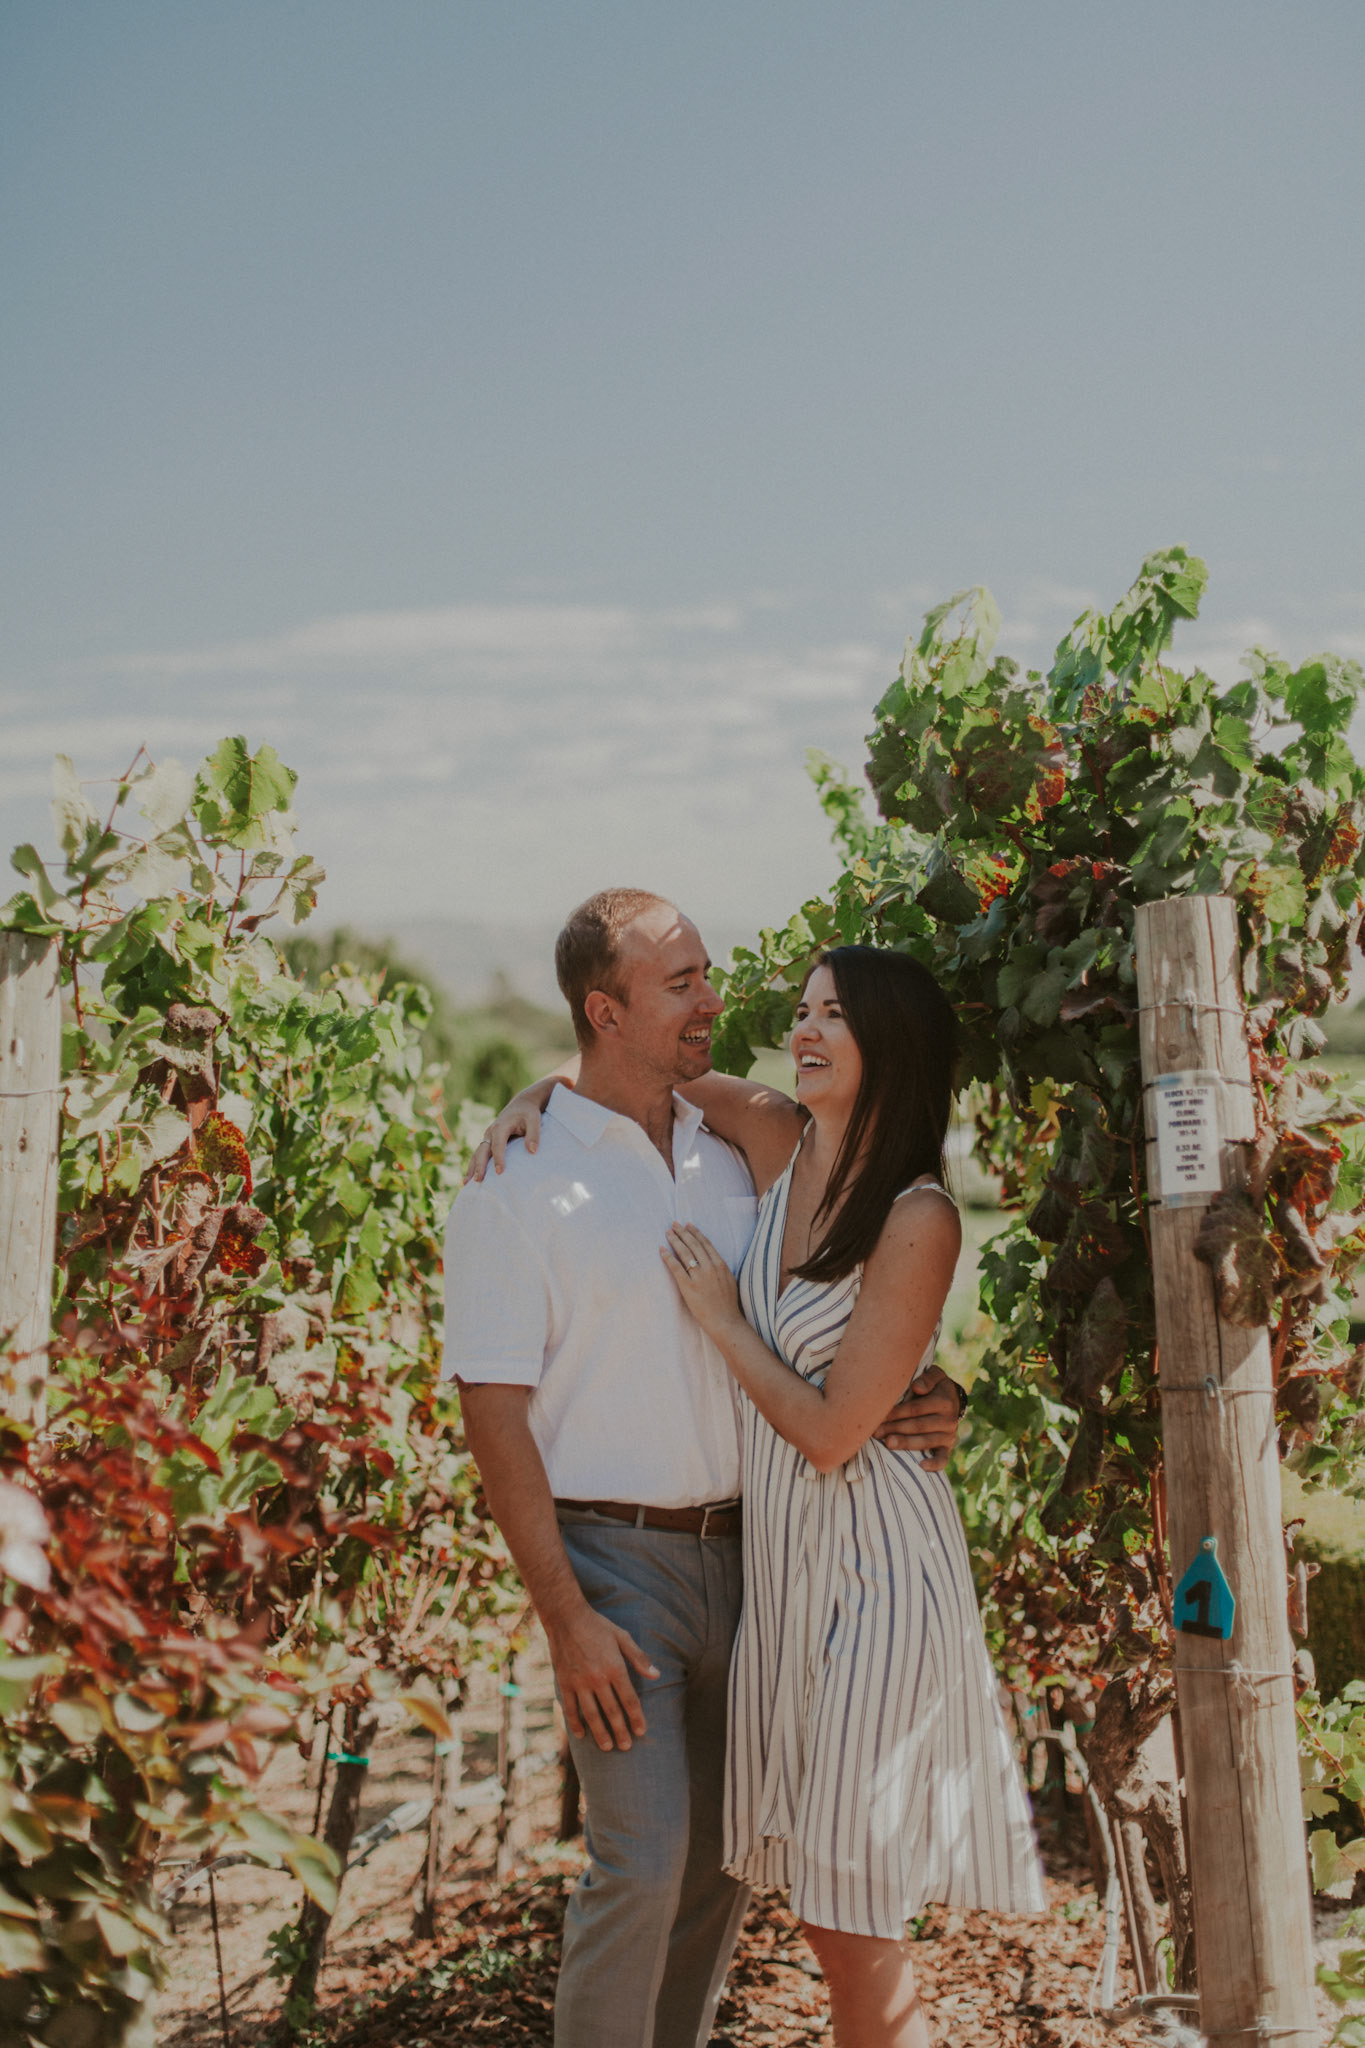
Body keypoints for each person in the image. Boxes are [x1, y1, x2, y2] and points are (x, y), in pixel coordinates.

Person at [445, 890, 964, 2048]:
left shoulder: (739, 1151)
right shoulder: (518, 1185)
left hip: (767, 1558)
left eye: (708, 975)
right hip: (614, 1566)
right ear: (603, 1006)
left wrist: (935, 1390)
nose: (714, 1000)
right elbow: (493, 1413)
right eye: (682, 982)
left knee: (721, 1867)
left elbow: (854, 1294)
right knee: (642, 1858)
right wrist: (565, 1613)